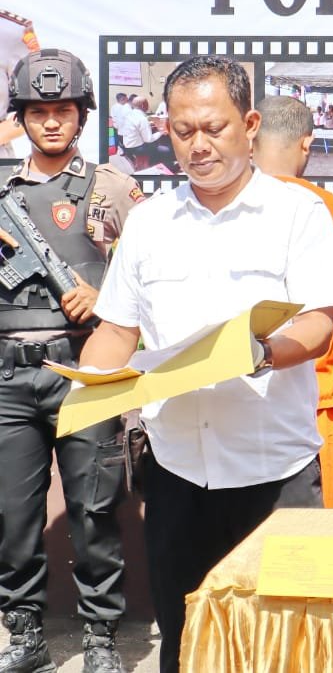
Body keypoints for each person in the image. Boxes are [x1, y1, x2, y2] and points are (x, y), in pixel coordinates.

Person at [78, 56, 333, 673]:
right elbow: (117, 329)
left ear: (250, 124)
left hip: (275, 473)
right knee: (188, 645)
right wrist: (85, 393)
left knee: (287, 649)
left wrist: (257, 353)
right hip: (176, 473)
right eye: (182, 131)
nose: (197, 145)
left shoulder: (298, 214)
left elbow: (316, 325)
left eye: (213, 128)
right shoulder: (150, 222)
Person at [0, 49, 145, 673]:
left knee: (94, 509)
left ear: (82, 115)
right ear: (22, 118)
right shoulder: (3, 191)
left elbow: (148, 272)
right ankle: (26, 634)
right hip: (8, 375)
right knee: (12, 515)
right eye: (38, 112)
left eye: (62, 110)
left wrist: (103, 290)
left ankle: (100, 639)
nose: (51, 122)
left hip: (84, 366)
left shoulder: (112, 185)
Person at [252, 95, 333, 509]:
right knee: (317, 549)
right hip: (315, 407)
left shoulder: (221, 206)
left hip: (234, 400)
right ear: (306, 145)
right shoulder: (331, 212)